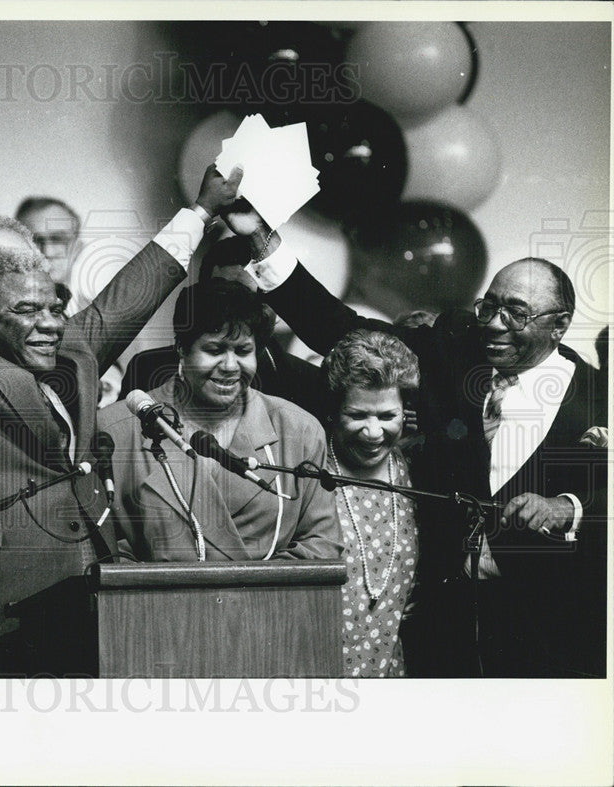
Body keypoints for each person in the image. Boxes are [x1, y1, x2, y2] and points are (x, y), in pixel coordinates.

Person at [0, 164, 244, 675]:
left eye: (50, 303)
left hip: (77, 597)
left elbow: (131, 295)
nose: (46, 317)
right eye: (9, 276)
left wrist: (201, 211)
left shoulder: (65, 346)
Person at [237, 208, 607, 677]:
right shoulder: (455, 348)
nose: (494, 324)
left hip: (548, 636)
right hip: (440, 630)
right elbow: (338, 328)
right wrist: (256, 235)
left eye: (516, 312)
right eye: (488, 306)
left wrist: (569, 507)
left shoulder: (599, 399)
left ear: (560, 324)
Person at [99, 278, 342, 562]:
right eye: (214, 350)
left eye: (243, 351)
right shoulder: (114, 431)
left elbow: (322, 546)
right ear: (181, 349)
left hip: (269, 604)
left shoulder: (300, 431)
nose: (229, 367)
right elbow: (103, 555)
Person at [120, 235, 329, 423]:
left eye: (253, 299)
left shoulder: (307, 383)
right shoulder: (148, 368)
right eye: (222, 297)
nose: (237, 312)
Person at [321, 330, 420, 678]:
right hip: (319, 675)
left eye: (387, 416)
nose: (373, 432)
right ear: (333, 411)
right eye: (358, 415)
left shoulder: (415, 470)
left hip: (390, 675)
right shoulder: (310, 470)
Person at [15, 195, 81, 287]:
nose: (47, 252)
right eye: (34, 240)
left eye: (58, 239)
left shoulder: (97, 300)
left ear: (78, 248)